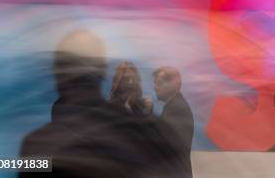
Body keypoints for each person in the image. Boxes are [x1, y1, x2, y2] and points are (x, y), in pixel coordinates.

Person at [19, 30, 184, 177]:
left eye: (132, 80)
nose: (130, 83)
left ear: (56, 73)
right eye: (127, 80)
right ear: (103, 70)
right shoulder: (150, 131)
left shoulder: (35, 147)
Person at [153, 66, 195, 178]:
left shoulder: (176, 108)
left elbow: (161, 143)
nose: (154, 87)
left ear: (173, 84)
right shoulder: (174, 106)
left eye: (158, 83)